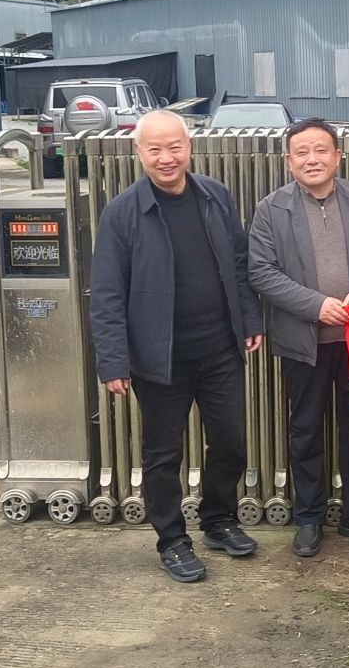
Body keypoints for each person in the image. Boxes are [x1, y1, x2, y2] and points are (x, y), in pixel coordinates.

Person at [89, 110, 264, 584]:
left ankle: (218, 520)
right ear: (138, 152)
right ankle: (172, 540)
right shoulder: (123, 212)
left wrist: (248, 319)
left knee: (230, 441)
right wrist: (113, 361)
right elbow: (106, 293)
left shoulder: (215, 196)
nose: (166, 158)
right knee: (164, 454)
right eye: (155, 149)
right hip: (157, 358)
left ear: (190, 147)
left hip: (219, 348)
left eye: (174, 147)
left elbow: (240, 261)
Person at [247, 119, 349, 558]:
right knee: (306, 429)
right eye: (302, 152)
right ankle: (309, 517)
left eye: (321, 150)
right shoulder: (271, 209)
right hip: (303, 340)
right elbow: (261, 271)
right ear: (288, 161)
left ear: (337, 156)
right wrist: (315, 305)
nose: (312, 159)